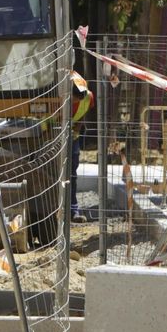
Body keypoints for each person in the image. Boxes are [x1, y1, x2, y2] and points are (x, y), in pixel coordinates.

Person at [69, 71, 93, 223]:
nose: (75, 101)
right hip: (48, 136)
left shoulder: (88, 97)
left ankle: (73, 210)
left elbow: (84, 113)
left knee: (71, 173)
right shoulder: (56, 96)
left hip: (72, 137)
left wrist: (77, 129)